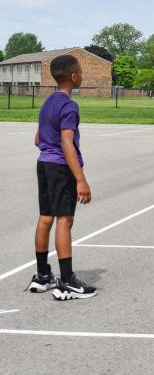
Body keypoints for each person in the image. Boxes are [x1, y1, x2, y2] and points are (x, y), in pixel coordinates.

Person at [26, 55, 96, 300]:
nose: (82, 75)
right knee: (64, 221)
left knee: (46, 218)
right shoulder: (69, 105)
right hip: (60, 167)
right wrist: (80, 179)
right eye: (81, 71)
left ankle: (43, 275)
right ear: (74, 76)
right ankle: (66, 281)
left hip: (43, 164)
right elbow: (67, 143)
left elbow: (37, 139)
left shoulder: (47, 103)